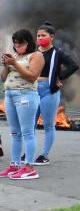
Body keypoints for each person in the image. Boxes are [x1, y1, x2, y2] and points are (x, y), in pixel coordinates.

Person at [0, 29, 45, 181]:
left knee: (27, 133)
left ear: (28, 42)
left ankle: (30, 167)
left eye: (21, 43)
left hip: (26, 95)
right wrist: (6, 65)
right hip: (10, 95)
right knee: (15, 133)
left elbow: (32, 76)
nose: (17, 46)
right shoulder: (16, 56)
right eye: (15, 44)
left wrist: (15, 64)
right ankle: (15, 164)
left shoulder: (36, 55)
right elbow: (3, 77)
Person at [33, 22, 79, 164]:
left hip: (48, 90)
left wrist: (60, 77)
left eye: (43, 35)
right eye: (38, 35)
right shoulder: (34, 52)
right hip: (33, 90)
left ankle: (44, 155)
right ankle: (28, 153)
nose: (40, 38)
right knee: (29, 124)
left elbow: (74, 65)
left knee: (48, 125)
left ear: (51, 37)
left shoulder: (57, 53)